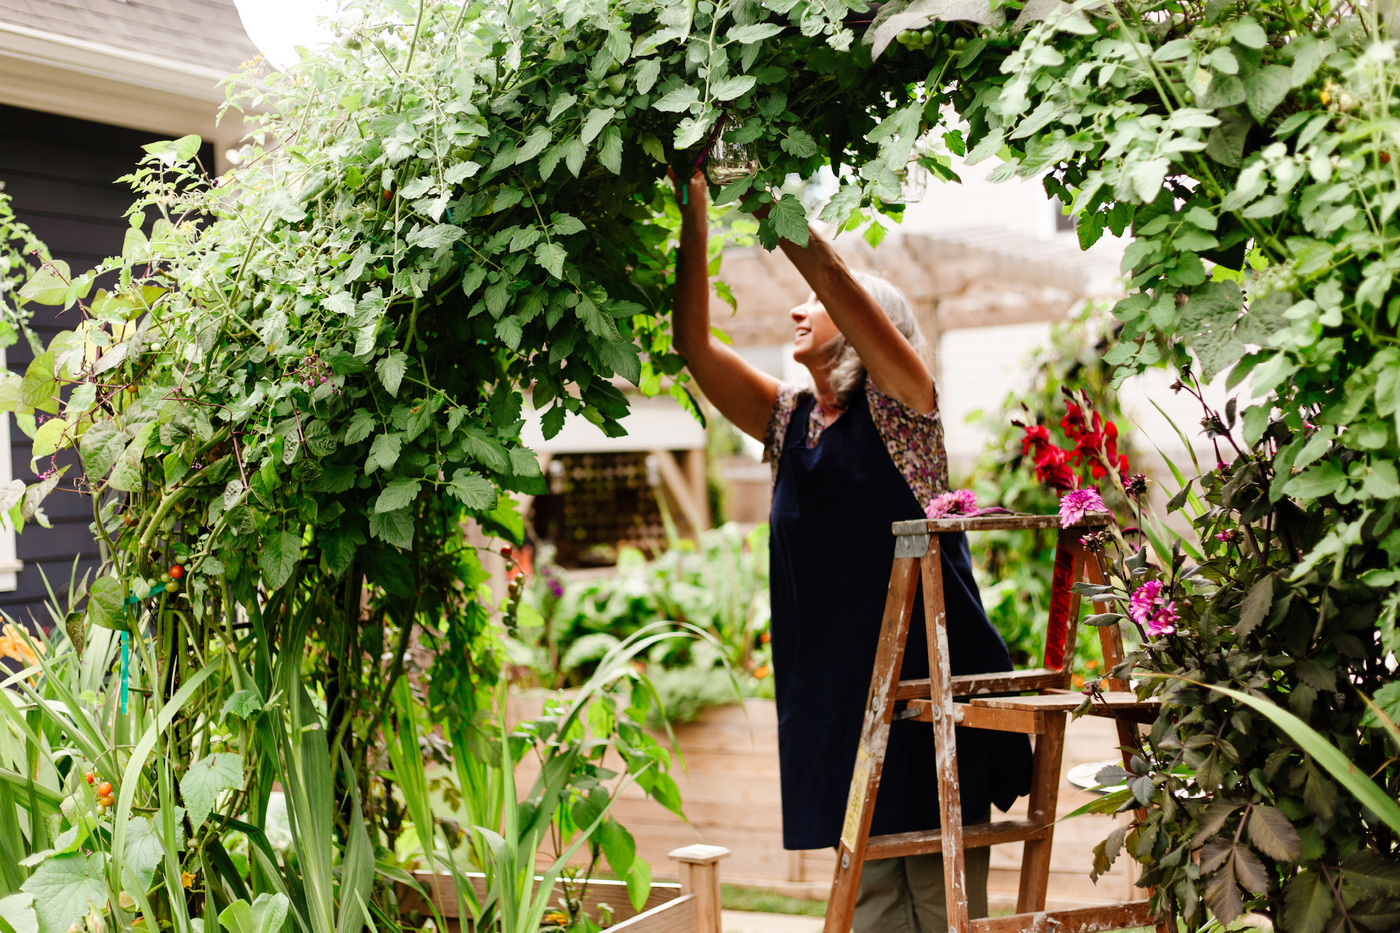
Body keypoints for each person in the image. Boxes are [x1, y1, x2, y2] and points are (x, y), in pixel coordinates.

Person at [668, 168, 1033, 933]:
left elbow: (831, 277)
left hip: (930, 689)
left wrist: (770, 202)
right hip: (845, 702)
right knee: (869, 908)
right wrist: (694, 205)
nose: (798, 308)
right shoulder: (790, 422)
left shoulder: (907, 409)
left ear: (865, 327)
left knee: (943, 906)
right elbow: (694, 348)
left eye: (820, 305)